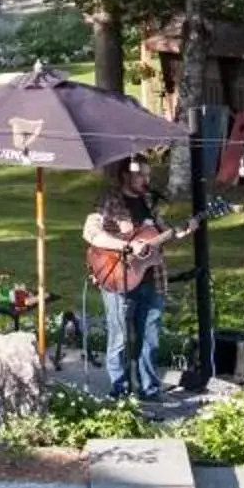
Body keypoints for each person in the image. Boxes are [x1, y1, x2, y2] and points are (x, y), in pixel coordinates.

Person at [82, 157, 175, 403]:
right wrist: (127, 246)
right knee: (119, 337)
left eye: (148, 175)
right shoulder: (109, 201)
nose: (146, 180)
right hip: (117, 277)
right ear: (125, 175)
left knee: (150, 337)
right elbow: (91, 233)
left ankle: (149, 389)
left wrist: (187, 228)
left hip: (151, 279)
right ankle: (119, 389)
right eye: (140, 175)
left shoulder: (150, 204)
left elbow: (162, 235)